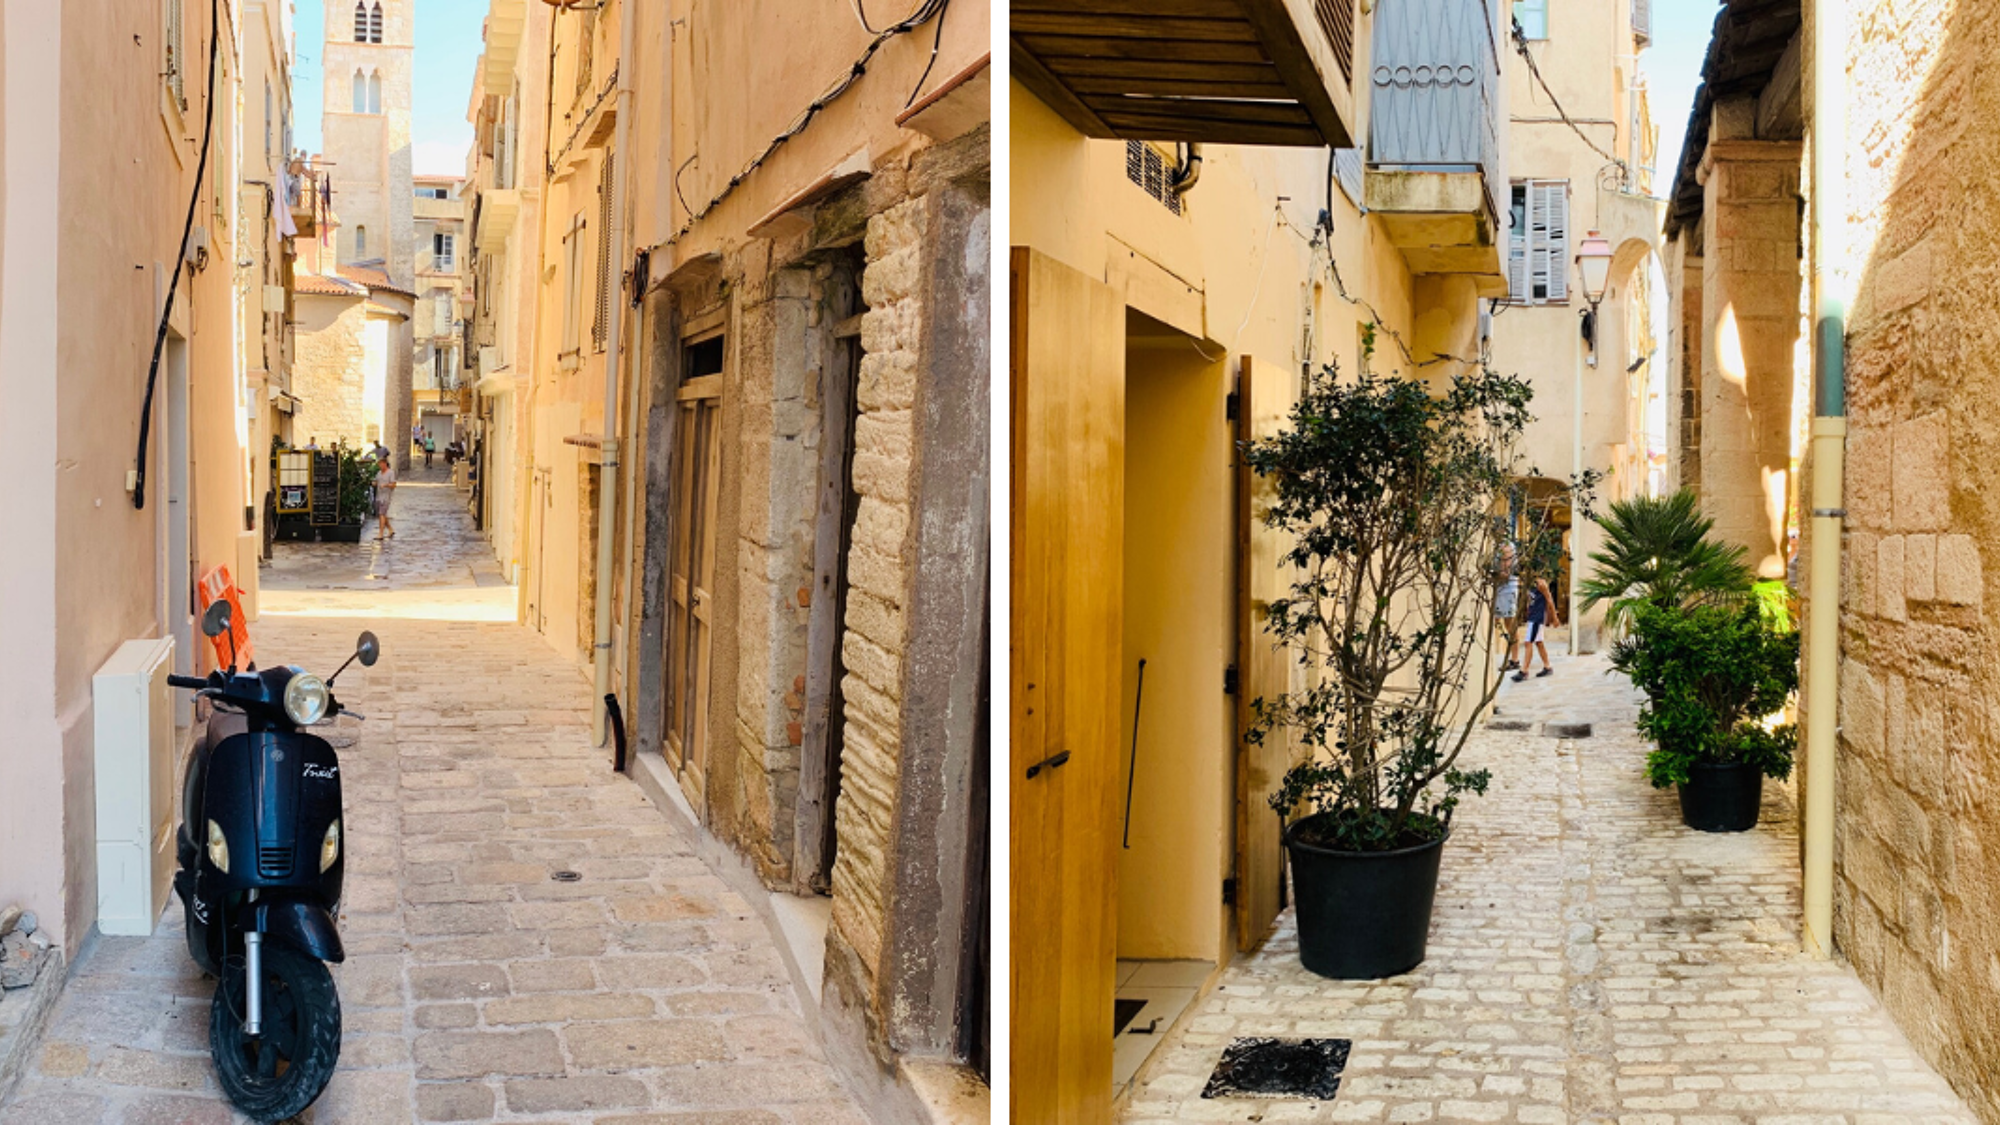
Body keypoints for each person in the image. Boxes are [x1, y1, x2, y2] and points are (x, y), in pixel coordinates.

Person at [1514, 571, 1561, 681]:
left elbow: (1549, 600)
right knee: (1539, 643)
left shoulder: (1541, 584)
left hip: (1537, 618)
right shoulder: (1531, 583)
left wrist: (1554, 617)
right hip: (1533, 617)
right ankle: (1547, 666)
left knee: (1528, 642)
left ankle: (1524, 671)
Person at [1493, 543, 1521, 672]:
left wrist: (1493, 574)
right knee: (1500, 622)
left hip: (1507, 590)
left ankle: (1515, 660)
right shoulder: (1500, 545)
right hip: (1500, 590)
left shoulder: (1508, 547)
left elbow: (1506, 572)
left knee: (1510, 626)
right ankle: (1512, 659)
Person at [373, 445, 397, 540]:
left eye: (380, 464)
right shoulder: (379, 473)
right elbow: (376, 481)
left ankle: (380, 534)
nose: (379, 466)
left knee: (381, 514)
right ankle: (390, 530)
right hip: (379, 496)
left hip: (386, 497)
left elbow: (394, 485)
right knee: (382, 514)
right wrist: (374, 483)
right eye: (378, 464)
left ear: (385, 464)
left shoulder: (391, 473)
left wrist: (386, 485)